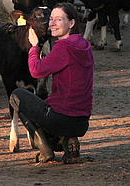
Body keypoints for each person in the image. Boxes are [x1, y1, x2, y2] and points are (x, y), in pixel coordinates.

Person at [9, 2, 94, 164]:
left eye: (59, 20)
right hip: (82, 121)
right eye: (52, 19)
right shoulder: (85, 45)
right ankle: (67, 141)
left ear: (71, 23)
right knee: (48, 104)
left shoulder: (63, 48)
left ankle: (44, 148)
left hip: (61, 118)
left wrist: (34, 47)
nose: (52, 23)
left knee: (16, 95)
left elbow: (36, 71)